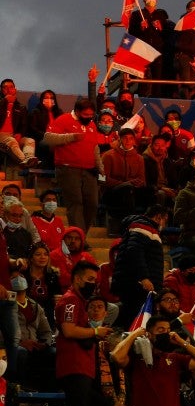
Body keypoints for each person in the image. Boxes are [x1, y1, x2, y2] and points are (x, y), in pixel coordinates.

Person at [112, 315, 195, 406]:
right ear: (148, 334)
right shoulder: (136, 358)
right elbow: (117, 356)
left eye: (168, 330)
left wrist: (181, 342)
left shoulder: (174, 358)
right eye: (161, 330)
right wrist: (134, 335)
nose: (166, 333)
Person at [56, 260, 113, 406]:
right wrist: (95, 331)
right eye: (89, 279)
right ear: (77, 279)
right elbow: (68, 330)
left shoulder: (79, 301)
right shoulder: (71, 300)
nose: (93, 283)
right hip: (74, 366)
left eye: (95, 280)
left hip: (81, 367)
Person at [43, 97, 103, 230]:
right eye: (85, 115)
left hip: (89, 170)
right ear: (76, 111)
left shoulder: (92, 125)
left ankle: (80, 235)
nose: (88, 117)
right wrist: (71, 137)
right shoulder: (63, 119)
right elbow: (48, 138)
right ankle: (78, 236)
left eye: (91, 115)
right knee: (75, 203)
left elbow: (95, 148)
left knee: (92, 204)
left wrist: (100, 168)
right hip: (68, 168)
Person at [112, 207, 169, 327]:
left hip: (137, 285)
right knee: (132, 321)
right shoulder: (144, 227)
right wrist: (144, 277)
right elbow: (134, 251)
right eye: (165, 220)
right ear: (159, 217)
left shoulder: (144, 227)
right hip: (136, 286)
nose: (165, 225)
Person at [0, 78, 38, 167]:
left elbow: (24, 125)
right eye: (5, 88)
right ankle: (24, 161)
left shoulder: (21, 107)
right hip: (1, 135)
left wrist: (20, 133)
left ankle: (30, 158)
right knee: (11, 140)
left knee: (30, 140)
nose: (9, 90)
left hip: (12, 135)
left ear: (15, 89)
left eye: (11, 87)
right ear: (1, 90)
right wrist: (4, 101)